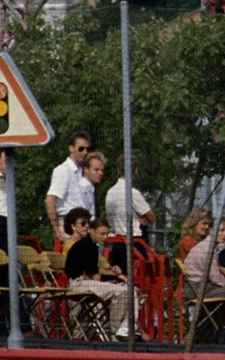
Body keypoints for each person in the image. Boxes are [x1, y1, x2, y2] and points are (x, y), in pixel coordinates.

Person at [62, 210, 133, 338]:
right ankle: (116, 331)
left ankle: (126, 327)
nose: (105, 237)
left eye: (107, 234)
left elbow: (95, 269)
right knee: (121, 291)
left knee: (130, 290)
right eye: (102, 234)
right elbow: (92, 272)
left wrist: (113, 273)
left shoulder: (93, 247)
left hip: (89, 282)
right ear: (93, 231)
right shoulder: (82, 246)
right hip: (79, 283)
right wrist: (114, 274)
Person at [181, 214, 225, 334]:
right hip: (199, 289)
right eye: (221, 230)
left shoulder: (206, 246)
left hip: (198, 287)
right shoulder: (208, 249)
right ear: (211, 230)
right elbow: (217, 279)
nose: (224, 234)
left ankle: (220, 330)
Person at [44, 132, 94, 242]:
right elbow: (50, 200)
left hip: (83, 225)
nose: (85, 152)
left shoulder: (82, 172)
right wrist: (57, 229)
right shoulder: (63, 170)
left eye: (87, 149)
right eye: (81, 148)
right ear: (71, 148)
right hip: (68, 224)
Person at [103, 170, 153, 245]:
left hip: (116, 241)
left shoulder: (110, 192)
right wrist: (143, 218)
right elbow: (151, 216)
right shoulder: (132, 192)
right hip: (134, 241)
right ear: (136, 171)